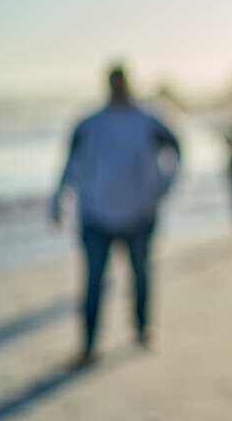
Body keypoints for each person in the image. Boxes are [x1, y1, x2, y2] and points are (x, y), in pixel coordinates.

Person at [50, 65, 181, 367]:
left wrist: (162, 189)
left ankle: (143, 330)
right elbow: (71, 163)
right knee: (93, 281)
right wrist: (60, 199)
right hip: (96, 217)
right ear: (107, 85)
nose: (118, 88)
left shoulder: (148, 121)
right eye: (114, 83)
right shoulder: (90, 124)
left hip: (139, 216)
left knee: (141, 275)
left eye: (123, 82)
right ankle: (88, 345)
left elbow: (177, 151)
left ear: (130, 83)